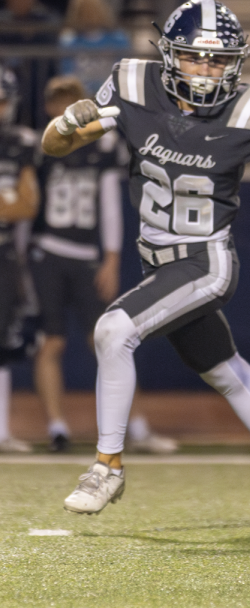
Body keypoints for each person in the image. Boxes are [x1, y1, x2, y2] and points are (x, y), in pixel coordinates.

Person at [43, 0, 250, 529]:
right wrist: (65, 124)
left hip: (205, 262)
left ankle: (107, 466)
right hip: (160, 264)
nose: (206, 71)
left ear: (236, 63)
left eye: (219, 61)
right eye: (196, 59)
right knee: (223, 369)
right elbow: (54, 146)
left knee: (112, 330)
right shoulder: (132, 85)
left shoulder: (249, 110)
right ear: (170, 56)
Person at [33, 76, 174, 454]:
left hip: (85, 256)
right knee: (51, 342)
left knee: (111, 341)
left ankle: (138, 428)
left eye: (69, 101)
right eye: (56, 102)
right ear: (49, 108)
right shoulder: (42, 146)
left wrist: (111, 258)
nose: (61, 107)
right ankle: (57, 427)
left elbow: (111, 204)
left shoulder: (104, 145)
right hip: (46, 252)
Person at [0, 65, 37, 452]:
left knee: (3, 340)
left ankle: (1, 430)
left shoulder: (20, 142)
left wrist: (11, 205)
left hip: (5, 252)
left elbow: (27, 204)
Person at [58, 0, 130, 94]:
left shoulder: (118, 39)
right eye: (84, 10)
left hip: (112, 94)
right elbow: (67, 74)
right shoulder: (69, 41)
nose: (89, 14)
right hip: (80, 97)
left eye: (93, 9)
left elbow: (125, 72)